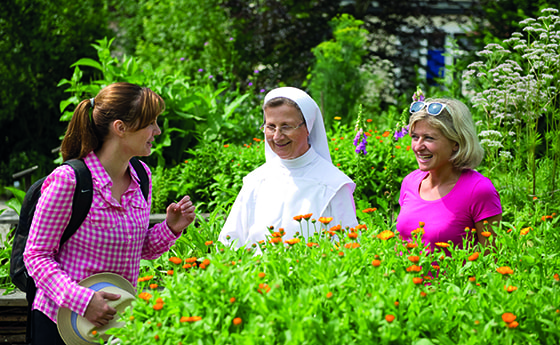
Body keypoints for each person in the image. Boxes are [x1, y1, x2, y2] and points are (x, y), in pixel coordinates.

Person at [23, 82, 196, 344]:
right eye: (151, 123)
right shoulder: (70, 181)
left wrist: (171, 228)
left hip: (114, 326)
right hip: (59, 324)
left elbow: (136, 249)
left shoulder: (141, 176)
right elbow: (36, 255)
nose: (157, 131)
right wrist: (83, 301)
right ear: (120, 128)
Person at [218, 87, 358, 250]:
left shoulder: (334, 185)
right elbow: (229, 243)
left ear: (307, 128)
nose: (277, 136)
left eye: (286, 126)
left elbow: (350, 250)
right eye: (271, 126)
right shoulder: (255, 181)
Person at [396, 98, 502, 254]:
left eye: (429, 138)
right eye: (415, 137)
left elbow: (492, 260)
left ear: (456, 143)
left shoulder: (479, 190)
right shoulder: (410, 182)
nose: (418, 146)